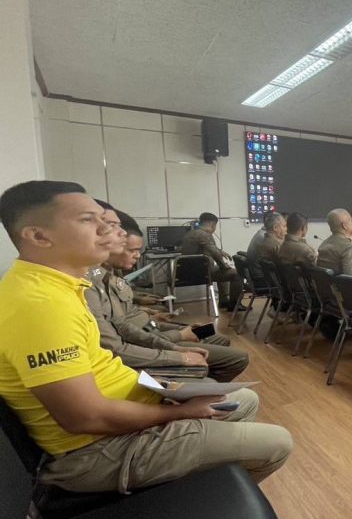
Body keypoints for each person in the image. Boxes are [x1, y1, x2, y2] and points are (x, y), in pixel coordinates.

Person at [0, 180, 291, 493]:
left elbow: (122, 330)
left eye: (107, 221)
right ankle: (213, 500)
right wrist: (178, 404)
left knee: (241, 393)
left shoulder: (66, 285)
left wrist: (166, 386)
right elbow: (86, 416)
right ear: (38, 236)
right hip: (98, 447)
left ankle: (210, 475)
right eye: (88, 220)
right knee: (277, 441)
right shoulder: (39, 304)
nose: (110, 231)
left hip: (138, 387)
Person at [89, 210, 250, 382]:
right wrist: (179, 337)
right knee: (236, 356)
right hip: (148, 335)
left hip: (151, 325)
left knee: (210, 332)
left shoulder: (110, 274)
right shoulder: (91, 284)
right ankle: (200, 381)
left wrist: (150, 313)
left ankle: (202, 378)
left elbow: (125, 316)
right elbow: (121, 340)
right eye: (112, 227)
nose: (119, 233)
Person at [180, 212, 242, 307]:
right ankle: (234, 305)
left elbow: (207, 248)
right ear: (213, 225)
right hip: (201, 273)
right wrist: (224, 266)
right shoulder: (205, 235)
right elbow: (215, 254)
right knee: (236, 274)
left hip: (186, 272)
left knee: (221, 270)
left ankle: (224, 301)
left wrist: (220, 251)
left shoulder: (189, 234)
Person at [317, 208, 352, 277]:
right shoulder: (348, 247)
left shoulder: (323, 245)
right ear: (344, 225)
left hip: (328, 283)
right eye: (351, 221)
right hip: (344, 284)